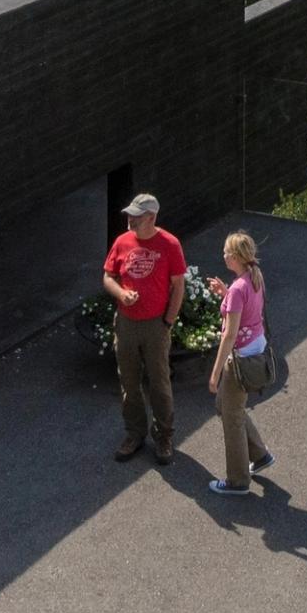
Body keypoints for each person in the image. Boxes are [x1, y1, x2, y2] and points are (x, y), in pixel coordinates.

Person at [101, 190, 186, 464]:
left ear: (151, 217)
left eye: (136, 216)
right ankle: (134, 434)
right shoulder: (122, 241)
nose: (130, 220)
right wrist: (121, 293)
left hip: (155, 326)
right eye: (129, 214)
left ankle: (163, 437)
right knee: (129, 382)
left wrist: (167, 322)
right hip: (126, 323)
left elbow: (178, 286)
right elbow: (108, 277)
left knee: (160, 383)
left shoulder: (170, 244)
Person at [205, 228, 277, 497]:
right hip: (255, 352)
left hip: (239, 363)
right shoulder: (253, 278)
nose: (223, 255)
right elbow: (246, 312)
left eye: (226, 252)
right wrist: (225, 293)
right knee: (226, 406)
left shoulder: (238, 289)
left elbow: (229, 334)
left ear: (235, 257)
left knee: (231, 416)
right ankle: (259, 455)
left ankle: (237, 481)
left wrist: (214, 373)